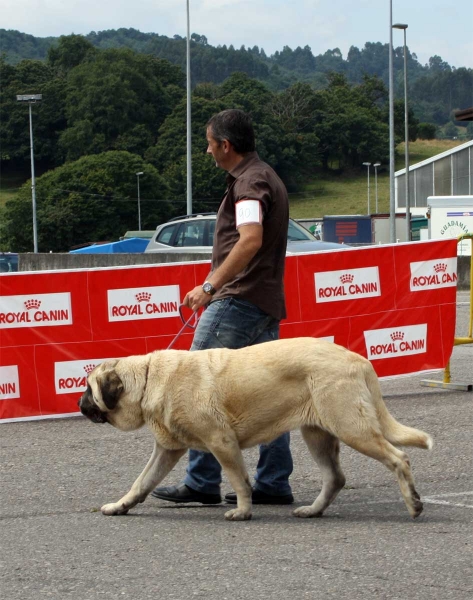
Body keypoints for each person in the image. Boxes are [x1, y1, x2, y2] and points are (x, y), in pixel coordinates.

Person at [152, 108, 294, 506]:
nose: (207, 150)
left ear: (225, 145)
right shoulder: (263, 176)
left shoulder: (249, 183)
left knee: (195, 386)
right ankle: (273, 482)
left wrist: (210, 287)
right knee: (271, 395)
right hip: (263, 301)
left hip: (239, 301)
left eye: (210, 142)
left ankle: (201, 481)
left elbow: (249, 240)